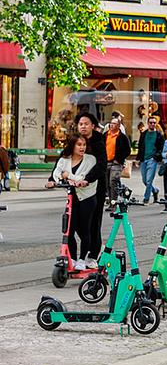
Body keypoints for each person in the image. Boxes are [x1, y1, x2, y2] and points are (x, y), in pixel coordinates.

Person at [45, 134, 100, 269]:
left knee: (85, 229)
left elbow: (82, 178)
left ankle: (83, 259)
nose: (82, 148)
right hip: (72, 198)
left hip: (87, 198)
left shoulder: (90, 160)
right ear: (72, 146)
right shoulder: (64, 159)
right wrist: (53, 182)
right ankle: (74, 259)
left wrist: (68, 175)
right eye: (79, 145)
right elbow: (57, 174)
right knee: (68, 230)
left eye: (84, 145)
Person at [73, 113, 108, 251]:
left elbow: (101, 166)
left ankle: (95, 251)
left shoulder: (98, 143)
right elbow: (63, 159)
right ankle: (93, 246)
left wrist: (88, 179)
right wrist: (54, 178)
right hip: (77, 189)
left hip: (95, 188)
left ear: (93, 126)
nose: (83, 126)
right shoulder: (75, 142)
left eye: (86, 124)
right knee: (75, 223)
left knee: (94, 222)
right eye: (81, 124)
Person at [103, 116, 131, 210]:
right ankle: (114, 200)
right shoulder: (106, 135)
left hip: (116, 163)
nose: (111, 125)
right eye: (111, 123)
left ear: (118, 126)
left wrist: (119, 159)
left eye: (114, 123)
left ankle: (113, 204)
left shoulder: (122, 137)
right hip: (106, 162)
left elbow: (127, 150)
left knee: (113, 182)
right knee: (107, 184)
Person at [136, 117, 164, 205]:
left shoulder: (159, 135)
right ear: (148, 123)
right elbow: (140, 147)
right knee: (144, 180)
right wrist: (138, 159)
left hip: (152, 160)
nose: (152, 124)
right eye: (151, 122)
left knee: (149, 180)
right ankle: (155, 190)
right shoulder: (144, 134)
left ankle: (146, 198)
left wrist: (156, 156)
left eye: (154, 123)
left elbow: (161, 148)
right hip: (143, 160)